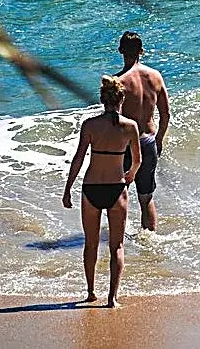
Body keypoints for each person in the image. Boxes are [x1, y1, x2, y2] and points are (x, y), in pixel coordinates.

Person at [62, 75, 141, 308]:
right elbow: (137, 161)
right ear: (122, 98)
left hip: (91, 188)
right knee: (117, 246)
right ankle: (112, 298)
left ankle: (90, 292)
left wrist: (67, 189)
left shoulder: (90, 125)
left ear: (102, 99)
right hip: (117, 188)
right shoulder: (130, 127)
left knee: (91, 244)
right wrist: (130, 176)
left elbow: (78, 159)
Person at [115, 31, 170, 232]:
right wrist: (159, 140)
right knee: (146, 197)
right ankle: (149, 240)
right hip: (148, 142)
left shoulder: (117, 82)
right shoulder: (155, 77)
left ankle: (118, 238)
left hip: (127, 145)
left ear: (120, 50)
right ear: (142, 51)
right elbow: (165, 114)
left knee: (120, 193)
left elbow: (114, 119)